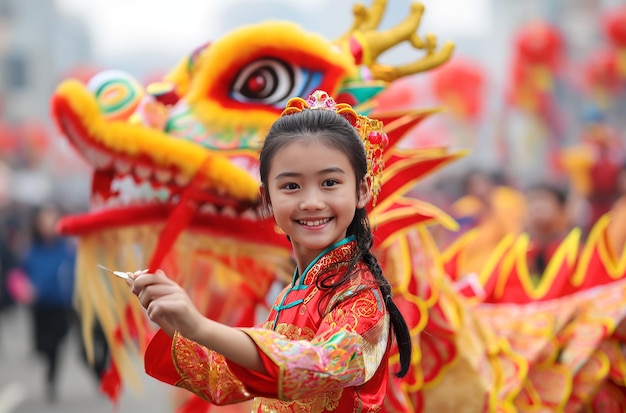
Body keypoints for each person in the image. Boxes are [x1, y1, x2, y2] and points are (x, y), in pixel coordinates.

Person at [129, 90, 412, 412]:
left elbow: (315, 367)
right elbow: (226, 380)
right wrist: (175, 321)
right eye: (291, 186)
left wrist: (199, 326)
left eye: (330, 183)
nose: (311, 202)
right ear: (268, 198)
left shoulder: (360, 295)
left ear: (361, 190)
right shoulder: (295, 291)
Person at [22, 203, 77, 402]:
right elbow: (19, 273)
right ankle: (48, 364)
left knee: (56, 343)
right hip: (39, 305)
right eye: (43, 222)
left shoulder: (68, 248)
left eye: (51, 221)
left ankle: (51, 381)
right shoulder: (31, 248)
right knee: (41, 346)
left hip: (61, 304)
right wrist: (22, 289)